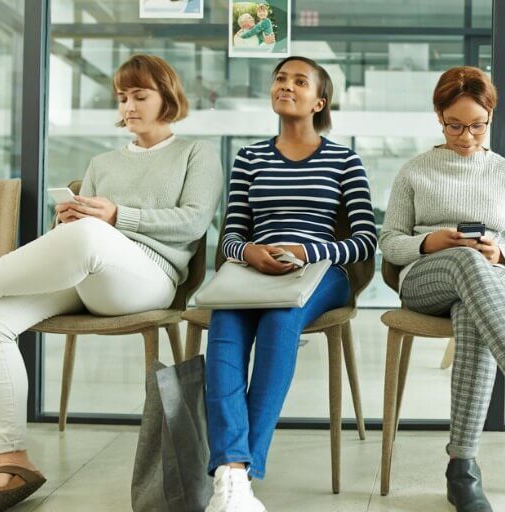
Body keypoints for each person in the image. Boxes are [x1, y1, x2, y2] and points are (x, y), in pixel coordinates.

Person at [0, 54, 223, 512]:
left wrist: (115, 216)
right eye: (122, 97)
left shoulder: (196, 153)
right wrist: (67, 222)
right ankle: (12, 460)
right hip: (88, 272)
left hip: (150, 277)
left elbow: (193, 222)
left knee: (90, 235)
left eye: (140, 96)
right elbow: (76, 242)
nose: (129, 106)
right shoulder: (102, 161)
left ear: (166, 97)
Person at [379, 66, 505, 512]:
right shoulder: (414, 171)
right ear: (439, 117)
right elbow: (389, 241)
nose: (467, 136)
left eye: (477, 125)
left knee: (474, 303)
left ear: (490, 117)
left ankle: (462, 469)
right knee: (466, 260)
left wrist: (503, 253)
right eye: (456, 125)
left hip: (494, 279)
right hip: (427, 278)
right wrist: (428, 241)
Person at [203, 56, 377, 512]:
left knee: (281, 321)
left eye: (300, 81)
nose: (286, 85)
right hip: (255, 268)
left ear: (319, 101)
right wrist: (250, 253)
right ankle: (232, 475)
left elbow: (364, 241)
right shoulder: (250, 158)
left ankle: (240, 469)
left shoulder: (344, 159)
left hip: (321, 273)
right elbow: (232, 235)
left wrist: (307, 252)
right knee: (225, 325)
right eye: (281, 78)